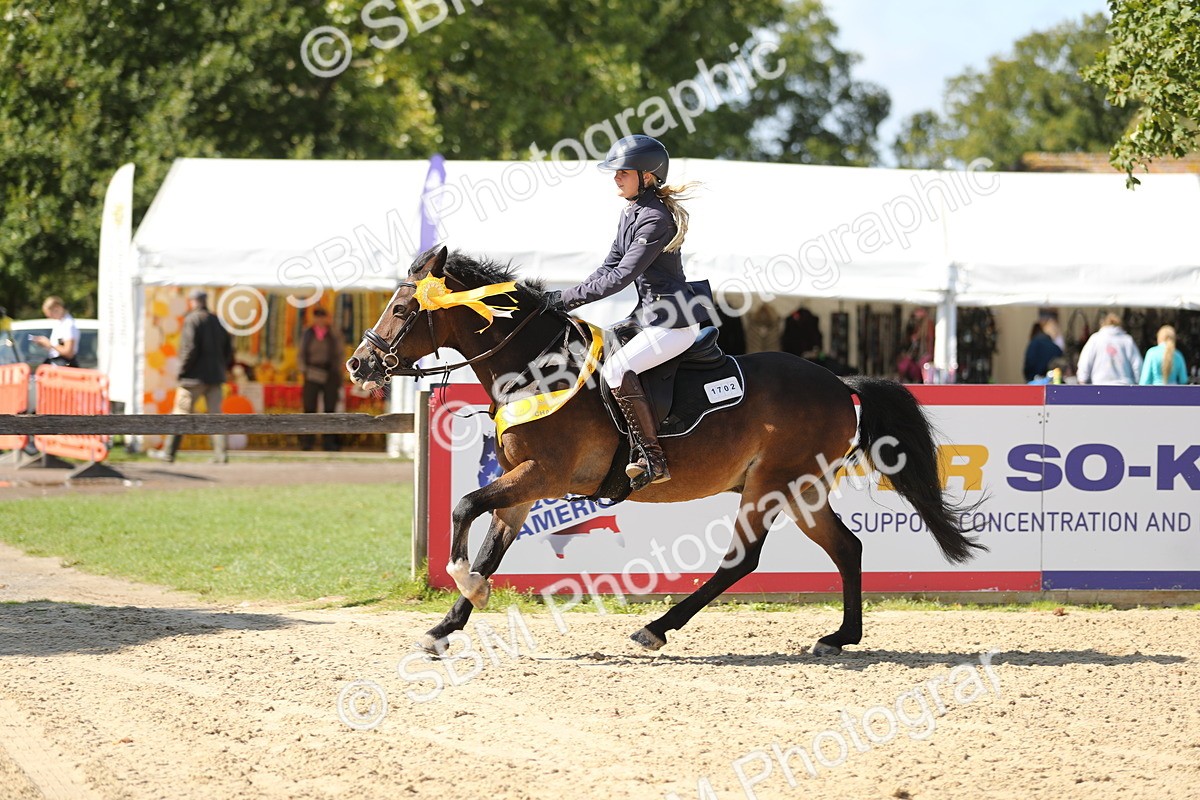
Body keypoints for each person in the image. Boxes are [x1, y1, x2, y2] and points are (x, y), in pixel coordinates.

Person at [544, 135, 710, 488]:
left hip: (674, 321)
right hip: (648, 316)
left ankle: (652, 457)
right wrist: (564, 297)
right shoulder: (631, 212)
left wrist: (567, 299)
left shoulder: (655, 219)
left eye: (623, 171)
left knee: (618, 369)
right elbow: (608, 267)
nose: (616, 177)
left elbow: (621, 277)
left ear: (646, 175)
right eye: (615, 171)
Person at [153, 289, 233, 463]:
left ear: (192, 302)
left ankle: (168, 453)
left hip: (193, 378)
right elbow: (229, 349)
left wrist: (182, 370)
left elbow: (189, 349)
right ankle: (221, 455)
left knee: (180, 413)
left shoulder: (192, 319)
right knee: (216, 416)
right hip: (215, 377)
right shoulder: (216, 320)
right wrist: (221, 368)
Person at [298, 306, 345, 451]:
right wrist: (304, 370)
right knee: (309, 408)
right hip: (312, 372)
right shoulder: (308, 333)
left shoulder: (333, 333)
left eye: (322, 316)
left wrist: (337, 372)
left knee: (329, 408)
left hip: (330, 373)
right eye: (317, 316)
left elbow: (340, 353)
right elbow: (301, 353)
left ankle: (329, 442)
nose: (319, 319)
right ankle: (307, 442)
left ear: (326, 318)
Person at [1076, 312, 1142, 385]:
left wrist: (1082, 380)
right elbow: (1137, 365)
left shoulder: (1095, 339)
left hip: (1099, 386)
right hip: (1124, 386)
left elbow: (1085, 362)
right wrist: (1137, 382)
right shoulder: (1127, 340)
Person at [32, 296, 79, 367]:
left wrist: (49, 344)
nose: (48, 316)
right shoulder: (59, 323)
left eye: (49, 313)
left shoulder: (68, 325)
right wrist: (44, 344)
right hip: (57, 363)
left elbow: (69, 352)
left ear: (57, 308)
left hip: (65, 365)